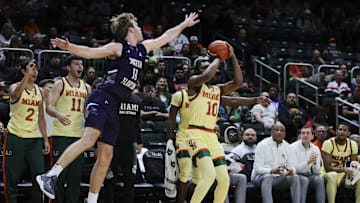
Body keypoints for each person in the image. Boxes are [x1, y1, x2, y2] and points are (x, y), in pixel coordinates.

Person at [37, 12, 200, 202]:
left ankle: (92, 200)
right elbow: (91, 52)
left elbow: (165, 37)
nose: (141, 29)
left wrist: (184, 24)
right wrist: (69, 47)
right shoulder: (118, 47)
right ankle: (50, 175)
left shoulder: (141, 48)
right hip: (102, 98)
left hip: (115, 105)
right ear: (130, 29)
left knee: (105, 157)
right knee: (89, 140)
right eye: (137, 26)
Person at [167, 87, 270, 203]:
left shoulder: (209, 95)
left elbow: (233, 100)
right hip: (186, 136)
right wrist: (169, 139)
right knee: (187, 174)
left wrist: (255, 100)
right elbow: (171, 118)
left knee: (212, 179)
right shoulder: (180, 96)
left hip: (204, 136)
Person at [185, 43, 242, 203]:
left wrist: (232, 56)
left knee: (224, 180)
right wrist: (218, 56)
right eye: (204, 67)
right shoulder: (193, 83)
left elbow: (238, 83)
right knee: (209, 176)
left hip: (211, 135)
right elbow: (206, 76)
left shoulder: (216, 90)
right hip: (195, 133)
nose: (210, 71)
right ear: (197, 70)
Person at [3, 59, 50, 202]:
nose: (34, 72)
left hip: (34, 138)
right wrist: (26, 76)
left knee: (38, 175)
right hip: (15, 135)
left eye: (36, 69)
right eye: (31, 68)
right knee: (12, 177)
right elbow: (16, 95)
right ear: (23, 71)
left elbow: (41, 117)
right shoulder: (14, 87)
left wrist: (45, 139)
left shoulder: (40, 91)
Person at [46, 55, 91, 203]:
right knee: (58, 177)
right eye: (76, 64)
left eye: (81, 64)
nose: (80, 67)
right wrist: (58, 114)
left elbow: (86, 111)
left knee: (75, 178)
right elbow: (49, 106)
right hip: (60, 135)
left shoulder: (87, 87)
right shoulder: (60, 84)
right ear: (68, 67)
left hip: (78, 137)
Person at [102, 92, 143, 203]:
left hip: (129, 145)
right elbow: (105, 122)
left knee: (130, 179)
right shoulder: (112, 99)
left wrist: (140, 141)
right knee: (110, 178)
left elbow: (137, 123)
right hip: (112, 144)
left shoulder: (137, 100)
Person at [251, 122, 301, 203]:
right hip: (260, 178)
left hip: (279, 178)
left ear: (285, 133)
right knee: (268, 177)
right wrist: (271, 171)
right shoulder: (262, 145)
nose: (279, 132)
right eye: (276, 130)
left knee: (294, 177)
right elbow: (257, 169)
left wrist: (291, 171)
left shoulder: (288, 147)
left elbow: (293, 166)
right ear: (271, 132)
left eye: (282, 130)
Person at [322, 123, 360, 203]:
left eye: (344, 130)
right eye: (340, 130)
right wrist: (344, 169)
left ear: (349, 133)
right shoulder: (328, 143)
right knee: (333, 175)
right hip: (326, 173)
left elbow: (354, 164)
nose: (341, 132)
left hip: (342, 174)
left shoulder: (352, 144)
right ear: (336, 131)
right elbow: (327, 168)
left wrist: (353, 172)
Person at [291, 126, 325, 203]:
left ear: (312, 136)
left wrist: (315, 163)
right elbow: (294, 169)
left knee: (319, 179)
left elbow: (317, 172)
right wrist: (308, 162)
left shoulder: (315, 149)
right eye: (303, 133)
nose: (305, 135)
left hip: (308, 174)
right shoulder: (292, 147)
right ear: (300, 135)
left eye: (308, 133)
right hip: (295, 175)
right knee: (304, 180)